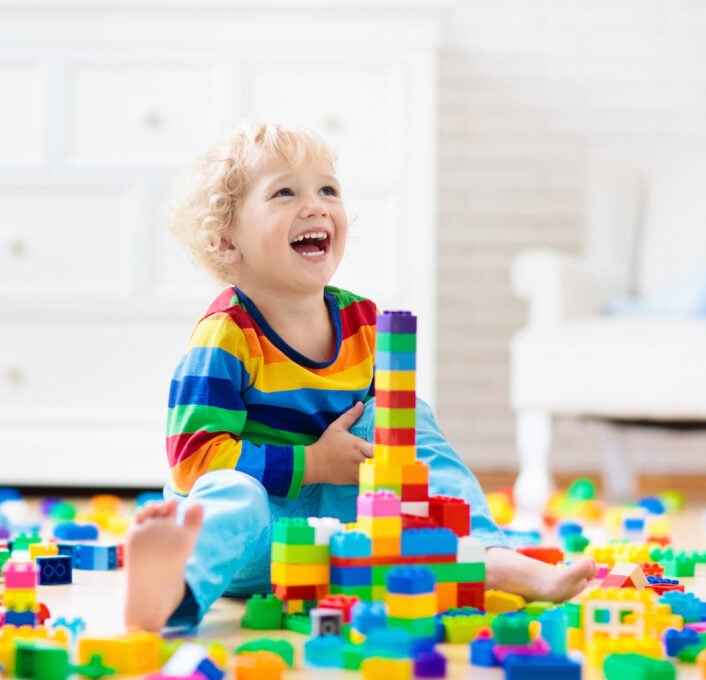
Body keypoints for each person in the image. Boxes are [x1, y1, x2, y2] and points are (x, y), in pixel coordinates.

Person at [123, 122, 597, 633]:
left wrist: (366, 460)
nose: (315, 205)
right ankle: (178, 587)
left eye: (328, 189)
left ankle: (482, 553)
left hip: (338, 536)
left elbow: (395, 447)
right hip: (253, 541)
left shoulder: (362, 323)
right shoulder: (226, 335)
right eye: (285, 192)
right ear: (226, 243)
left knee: (403, 417)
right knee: (234, 493)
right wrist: (312, 462)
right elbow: (193, 461)